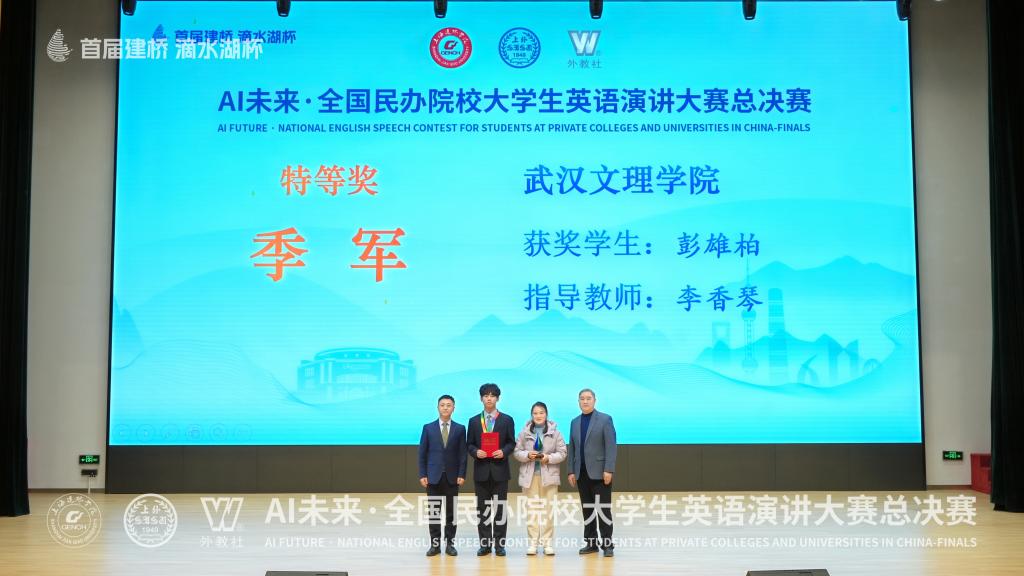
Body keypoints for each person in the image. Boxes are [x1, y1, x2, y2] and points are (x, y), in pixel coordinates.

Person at [465, 382, 516, 556]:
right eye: (486, 395)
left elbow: (511, 443)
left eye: (492, 395)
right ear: (481, 398)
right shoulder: (474, 421)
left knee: (500, 510)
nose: (489, 398)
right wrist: (475, 452)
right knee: (483, 510)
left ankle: (500, 545)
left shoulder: (507, 419)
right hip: (481, 471)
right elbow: (469, 444)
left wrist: (503, 452)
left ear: (498, 398)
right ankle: (485, 545)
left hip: (500, 471)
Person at [567, 388, 617, 557]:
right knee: (587, 510)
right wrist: (571, 471)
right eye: (582, 398)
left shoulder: (605, 419)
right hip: (581, 473)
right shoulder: (574, 422)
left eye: (588, 398)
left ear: (595, 400)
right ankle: (591, 543)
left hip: (600, 473)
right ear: (578, 402)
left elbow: (611, 446)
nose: (585, 401)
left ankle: (608, 545)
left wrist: (609, 469)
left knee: (603, 510)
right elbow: (572, 448)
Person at [513, 401, 567, 556]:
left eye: (541, 413)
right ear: (532, 415)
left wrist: (548, 458)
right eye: (535, 413)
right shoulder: (524, 433)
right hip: (529, 478)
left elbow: (562, 453)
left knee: (549, 511)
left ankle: (548, 543)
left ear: (546, 414)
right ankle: (533, 543)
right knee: (532, 511)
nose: (538, 416)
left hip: (549, 477)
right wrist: (527, 455)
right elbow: (517, 452)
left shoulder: (555, 433)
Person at [418, 394, 466, 557]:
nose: (445, 408)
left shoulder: (460, 429)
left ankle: (450, 544)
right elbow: (422, 453)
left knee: (451, 514)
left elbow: (462, 454)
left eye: (449, 405)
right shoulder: (428, 428)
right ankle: (435, 545)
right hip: (433, 477)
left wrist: (461, 474)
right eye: (442, 405)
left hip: (452, 477)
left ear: (454, 408)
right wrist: (423, 474)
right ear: (438, 407)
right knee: (434, 513)